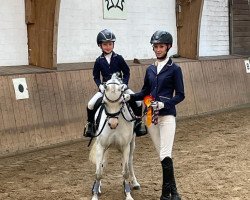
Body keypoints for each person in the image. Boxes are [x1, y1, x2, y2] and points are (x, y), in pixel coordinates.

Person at [124, 30, 185, 200]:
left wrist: (165, 104)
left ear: (168, 47)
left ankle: (165, 195)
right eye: (156, 46)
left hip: (167, 117)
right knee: (163, 156)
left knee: (166, 153)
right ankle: (175, 193)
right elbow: (145, 91)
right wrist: (130, 96)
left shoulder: (175, 69)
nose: (158, 49)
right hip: (151, 118)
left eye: (161, 46)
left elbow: (180, 94)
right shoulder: (150, 69)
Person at [84, 29, 146, 137]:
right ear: (100, 45)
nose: (108, 46)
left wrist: (125, 84)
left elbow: (127, 72)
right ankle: (90, 125)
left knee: (139, 102)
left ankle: (139, 122)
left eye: (110, 44)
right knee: (90, 104)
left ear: (113, 44)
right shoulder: (99, 60)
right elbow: (96, 76)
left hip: (120, 87)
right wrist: (100, 86)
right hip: (106, 88)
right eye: (105, 44)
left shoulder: (119, 58)